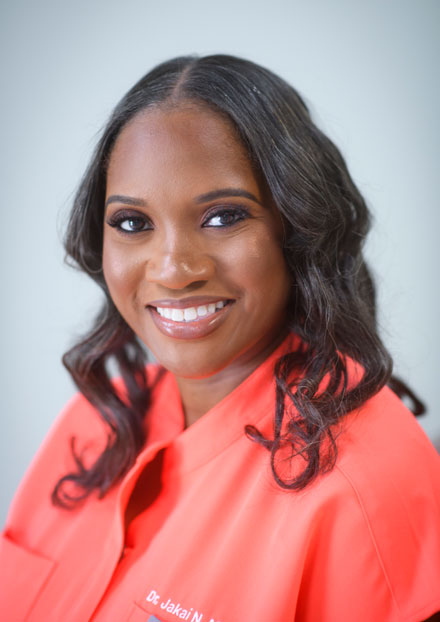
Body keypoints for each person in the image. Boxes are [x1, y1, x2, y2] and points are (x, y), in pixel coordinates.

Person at [1, 54, 440, 622]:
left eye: (223, 216)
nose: (173, 269)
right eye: (133, 223)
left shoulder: (364, 488)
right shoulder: (93, 425)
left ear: (298, 225)